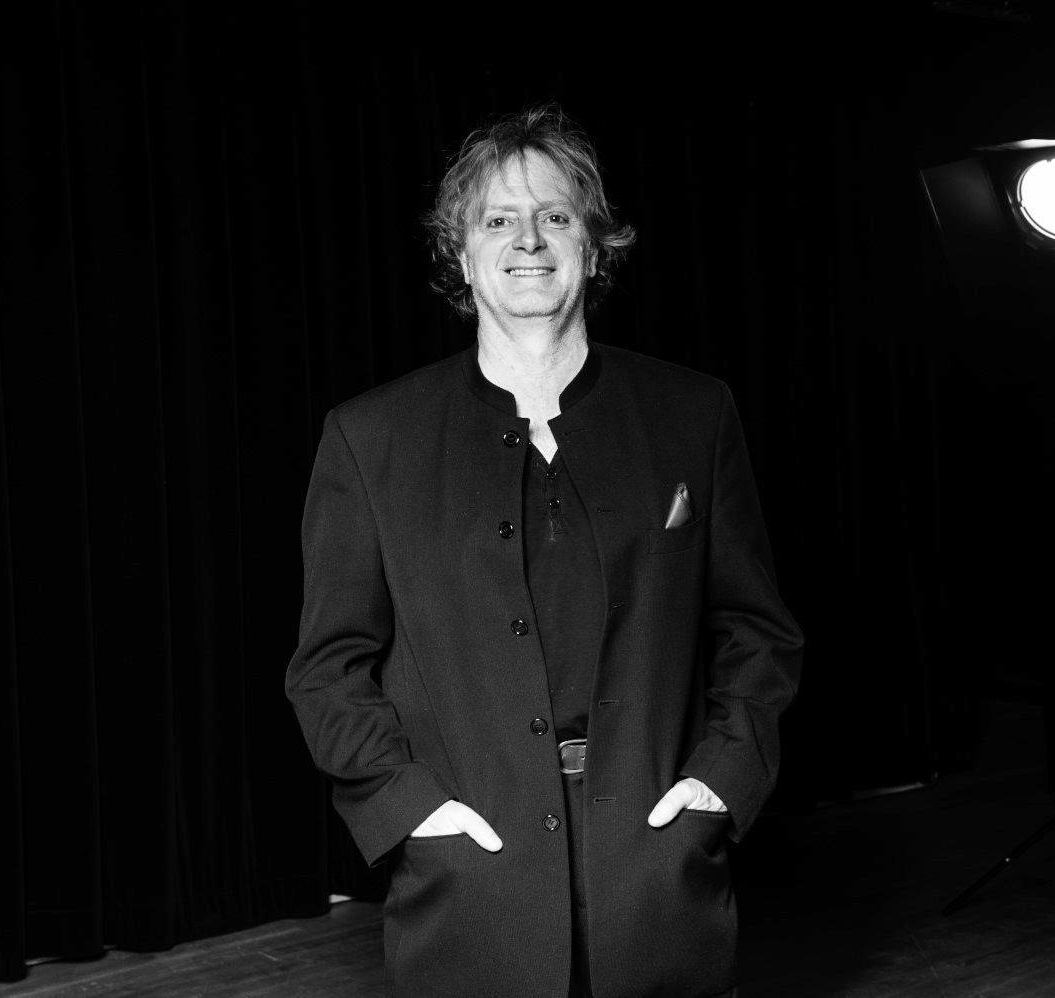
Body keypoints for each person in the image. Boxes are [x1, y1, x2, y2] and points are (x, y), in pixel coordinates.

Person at [285, 104, 803, 998]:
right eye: (497, 220)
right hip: (473, 887)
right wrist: (413, 811)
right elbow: (327, 669)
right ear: (460, 255)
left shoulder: (694, 414)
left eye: (555, 215)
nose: (528, 238)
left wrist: (720, 782)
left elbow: (756, 630)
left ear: (594, 248)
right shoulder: (369, 439)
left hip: (658, 872)